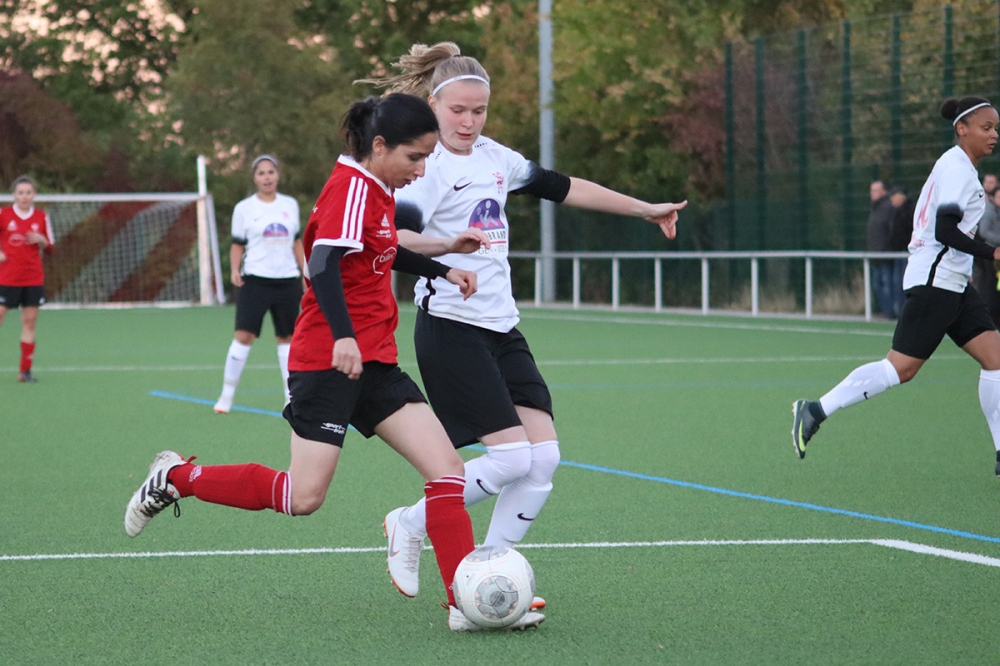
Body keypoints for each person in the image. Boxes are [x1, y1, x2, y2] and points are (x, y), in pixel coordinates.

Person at [124, 94, 542, 632]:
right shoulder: (351, 187)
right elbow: (322, 264)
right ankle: (178, 477)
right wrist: (344, 337)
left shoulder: (379, 187)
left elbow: (382, 249)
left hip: (376, 363)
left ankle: (463, 603)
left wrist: (442, 261)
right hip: (327, 362)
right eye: (415, 157)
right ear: (380, 145)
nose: (421, 169)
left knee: (447, 472)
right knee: (303, 497)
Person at [357, 42, 687, 605]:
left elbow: (564, 187)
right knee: (512, 457)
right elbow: (396, 236)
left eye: (479, 110)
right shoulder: (427, 169)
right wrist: (446, 248)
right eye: (457, 110)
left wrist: (644, 208)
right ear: (433, 107)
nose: (468, 121)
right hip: (450, 326)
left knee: (544, 459)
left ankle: (487, 575)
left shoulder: (494, 157)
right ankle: (409, 523)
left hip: (501, 326)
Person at [792, 96, 1000, 476]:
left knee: (996, 359)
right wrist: (992, 252)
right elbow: (945, 230)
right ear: (962, 129)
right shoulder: (957, 169)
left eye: (995, 128)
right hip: (936, 282)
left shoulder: (958, 167)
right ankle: (815, 410)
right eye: (986, 127)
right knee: (900, 369)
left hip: (952, 282)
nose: (994, 135)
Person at [214, 155, 305, 413]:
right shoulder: (244, 208)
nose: (267, 177)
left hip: (287, 281)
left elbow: (297, 242)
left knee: (287, 338)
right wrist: (235, 269)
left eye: (271, 172)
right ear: (255, 178)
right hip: (255, 280)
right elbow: (237, 244)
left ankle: (290, 397)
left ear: (278, 175)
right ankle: (226, 396)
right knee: (244, 335)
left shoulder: (290, 204)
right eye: (262, 173)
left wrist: (304, 273)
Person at [0, 176, 54, 383]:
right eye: (20, 193)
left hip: (32, 278)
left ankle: (25, 372)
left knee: (29, 322)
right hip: (7, 278)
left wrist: (42, 240)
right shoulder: (4, 214)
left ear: (34, 195)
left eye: (28, 192)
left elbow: (51, 248)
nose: (24, 196)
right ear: (14, 195)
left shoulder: (41, 217)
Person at [867, 180, 897, 318]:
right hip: (875, 255)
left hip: (885, 254)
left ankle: (890, 312)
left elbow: (891, 231)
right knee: (877, 284)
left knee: (887, 284)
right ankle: (885, 311)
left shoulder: (888, 208)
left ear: (883, 191)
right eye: (871, 191)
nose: (872, 193)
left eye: (875, 190)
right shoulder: (875, 209)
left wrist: (887, 248)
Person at [888, 185, 914, 318]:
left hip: (906, 253)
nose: (891, 199)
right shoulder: (895, 212)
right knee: (896, 282)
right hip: (897, 253)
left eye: (894, 196)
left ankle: (906, 311)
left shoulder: (910, 211)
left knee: (904, 283)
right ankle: (899, 310)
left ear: (901, 196)